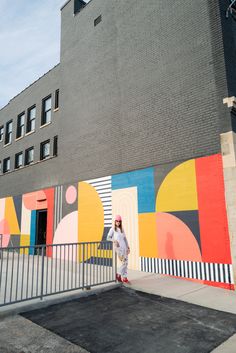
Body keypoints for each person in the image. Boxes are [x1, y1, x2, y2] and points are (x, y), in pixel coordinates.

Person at [107, 215, 130, 283]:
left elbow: (125, 239)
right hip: (119, 248)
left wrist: (128, 247)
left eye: (119, 221)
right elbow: (108, 237)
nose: (118, 222)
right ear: (115, 221)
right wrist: (114, 240)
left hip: (124, 248)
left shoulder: (122, 229)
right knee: (124, 263)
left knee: (126, 263)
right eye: (117, 221)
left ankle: (124, 277)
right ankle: (118, 274)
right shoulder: (112, 229)